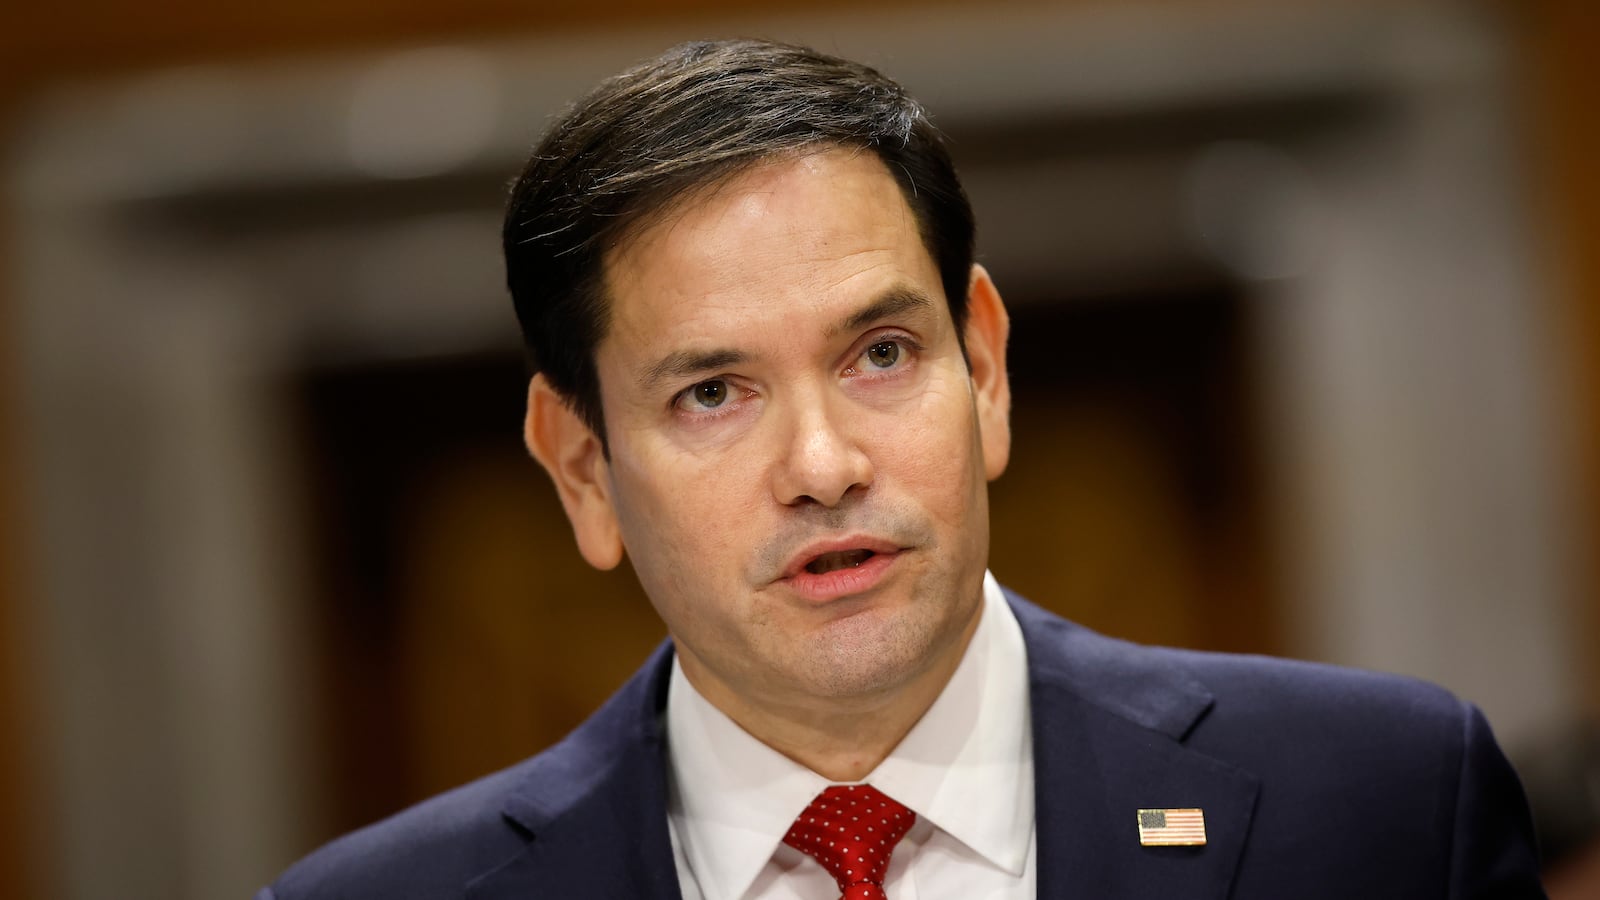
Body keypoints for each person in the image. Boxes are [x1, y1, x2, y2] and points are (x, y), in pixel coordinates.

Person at [258, 39, 1545, 899]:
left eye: (879, 354)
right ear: (583, 467)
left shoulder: (1384, 805)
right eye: (712, 393)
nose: (821, 466)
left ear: (981, 368)